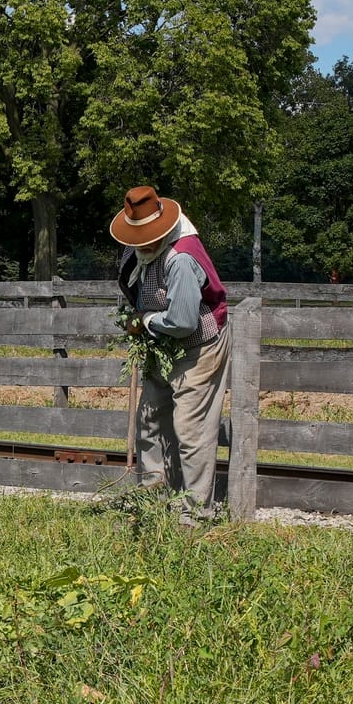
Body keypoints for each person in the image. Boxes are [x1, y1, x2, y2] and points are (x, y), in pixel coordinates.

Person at [111, 185, 231, 513]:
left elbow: (182, 321)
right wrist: (135, 318)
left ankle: (195, 512)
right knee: (149, 418)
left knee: (191, 429)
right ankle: (153, 499)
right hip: (160, 344)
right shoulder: (135, 248)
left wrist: (145, 321)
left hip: (198, 345)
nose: (138, 243)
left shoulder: (181, 257)